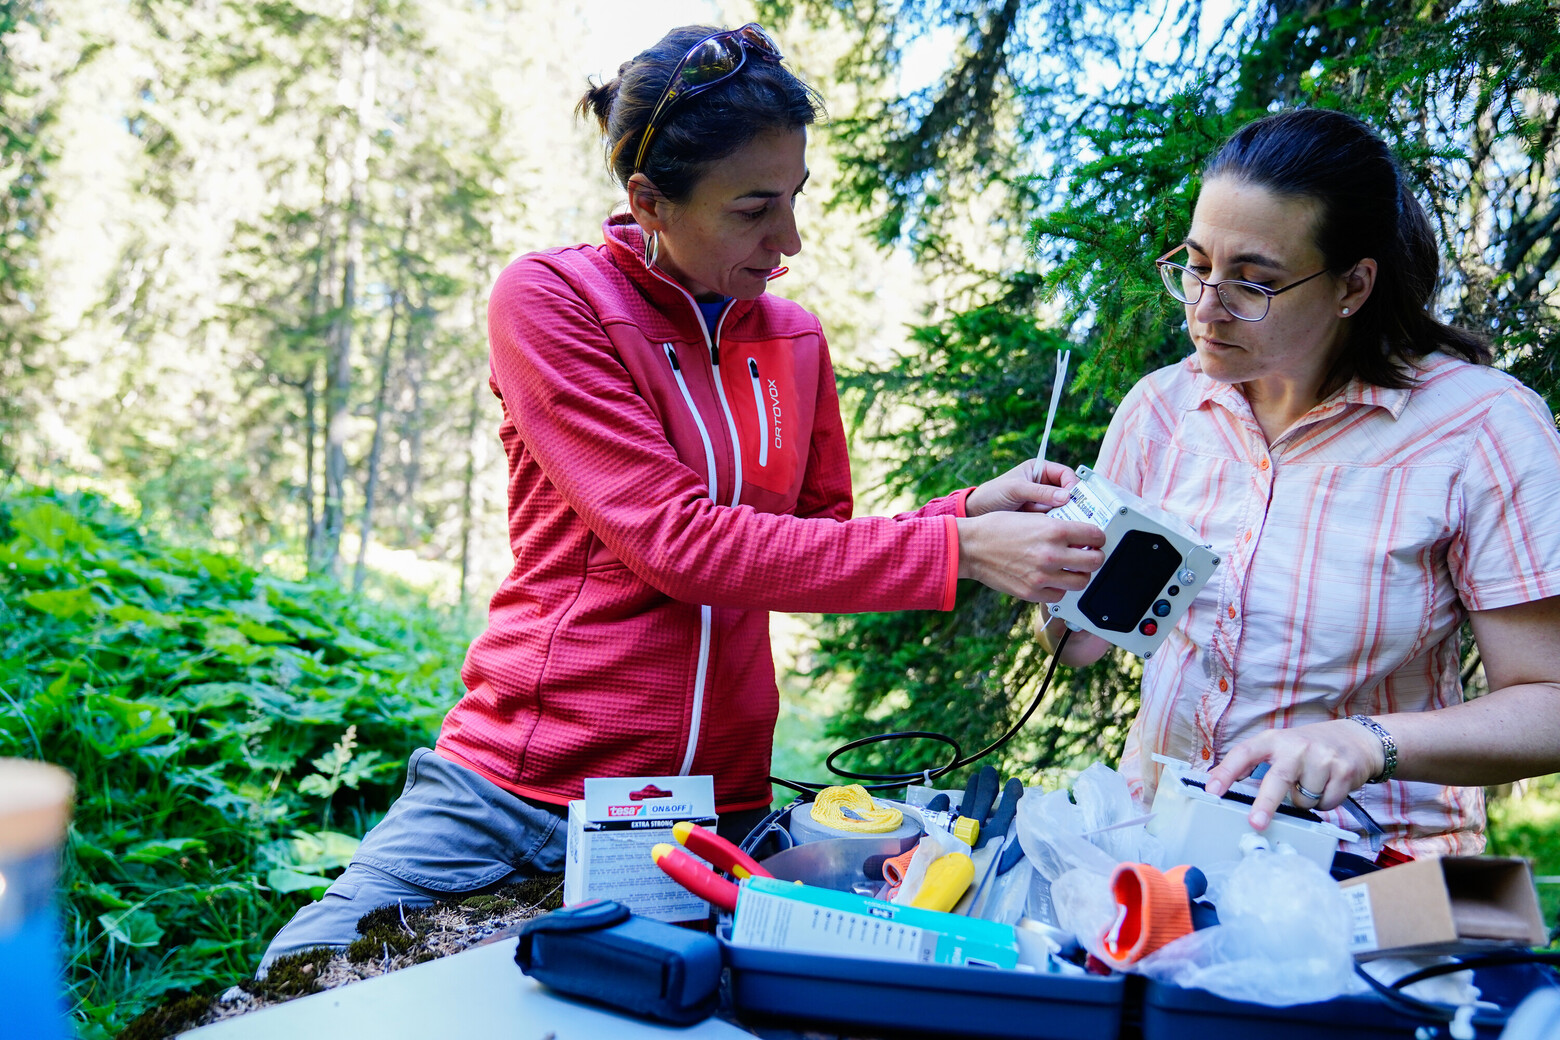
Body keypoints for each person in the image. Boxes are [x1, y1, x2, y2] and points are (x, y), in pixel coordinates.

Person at [259, 22, 1105, 969]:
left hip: (710, 807)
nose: (789, 241)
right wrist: (960, 555)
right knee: (294, 982)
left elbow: (808, 546)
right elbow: (676, 542)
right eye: (753, 210)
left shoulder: (794, 340)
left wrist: (964, 512)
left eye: (794, 198)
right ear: (648, 200)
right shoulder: (552, 301)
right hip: (514, 791)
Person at [1038, 108, 1560, 860]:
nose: (1205, 306)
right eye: (1195, 264)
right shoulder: (1162, 409)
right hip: (1159, 853)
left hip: (1368, 873)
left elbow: (1548, 703)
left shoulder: (1481, 428)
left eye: (1253, 283)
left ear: (1353, 285)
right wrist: (1049, 574)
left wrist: (1367, 743)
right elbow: (1081, 645)